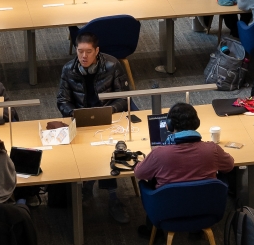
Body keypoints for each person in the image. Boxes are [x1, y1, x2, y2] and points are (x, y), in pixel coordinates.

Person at [57, 32, 131, 223]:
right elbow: (62, 100)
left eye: (88, 52)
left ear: (97, 51)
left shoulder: (112, 65)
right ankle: (88, 187)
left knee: (108, 151)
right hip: (80, 120)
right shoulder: (68, 69)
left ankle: (113, 197)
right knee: (82, 149)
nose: (84, 56)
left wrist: (109, 111)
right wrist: (73, 114)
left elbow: (125, 97)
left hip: (109, 118)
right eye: (80, 51)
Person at [134, 102, 235, 236]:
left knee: (148, 182)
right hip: (206, 210)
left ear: (169, 125)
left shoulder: (159, 154)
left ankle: (155, 233)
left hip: (167, 212)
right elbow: (229, 166)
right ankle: (196, 230)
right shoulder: (212, 149)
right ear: (196, 123)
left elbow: (139, 173)